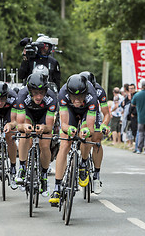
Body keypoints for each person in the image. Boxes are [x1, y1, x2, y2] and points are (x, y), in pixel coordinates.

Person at [49, 74, 98, 206]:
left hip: (86, 112)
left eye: (80, 96)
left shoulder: (91, 96)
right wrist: (69, 129)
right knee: (65, 144)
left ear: (85, 93)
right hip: (69, 112)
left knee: (85, 135)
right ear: (69, 93)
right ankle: (57, 187)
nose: (77, 100)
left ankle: (83, 163)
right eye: (74, 97)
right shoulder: (63, 93)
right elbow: (64, 124)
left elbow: (91, 127)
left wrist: (86, 130)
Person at [15, 73, 57, 196]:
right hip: (29, 115)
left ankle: (44, 176)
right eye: (35, 92)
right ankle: (22, 168)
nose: (39, 96)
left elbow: (49, 126)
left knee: (45, 145)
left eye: (42, 92)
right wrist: (25, 127)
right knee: (24, 135)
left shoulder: (51, 97)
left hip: (44, 118)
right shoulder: (22, 96)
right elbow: (19, 124)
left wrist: (43, 127)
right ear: (29, 91)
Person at [79, 71, 110, 194]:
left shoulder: (99, 91)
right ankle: (82, 161)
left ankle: (96, 175)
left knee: (96, 140)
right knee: (83, 138)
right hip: (79, 111)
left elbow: (106, 113)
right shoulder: (75, 87)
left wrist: (104, 125)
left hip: (93, 112)